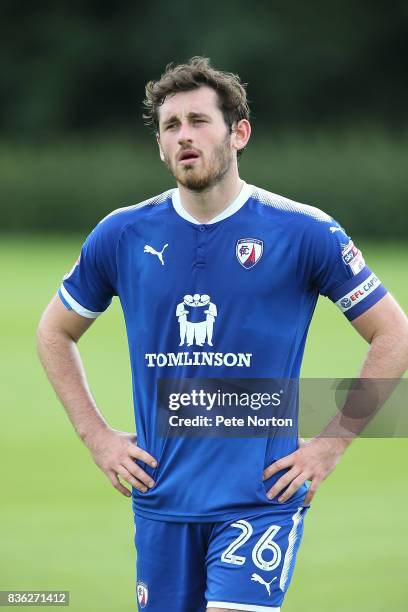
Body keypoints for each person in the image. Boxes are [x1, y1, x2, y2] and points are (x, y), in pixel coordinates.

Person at [36, 57, 408, 612]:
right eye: (171, 126)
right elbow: (54, 333)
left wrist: (330, 444)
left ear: (239, 133)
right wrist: (98, 437)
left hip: (261, 501)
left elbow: (394, 335)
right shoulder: (122, 234)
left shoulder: (303, 231)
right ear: (160, 145)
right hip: (161, 501)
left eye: (198, 120)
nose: (184, 135)